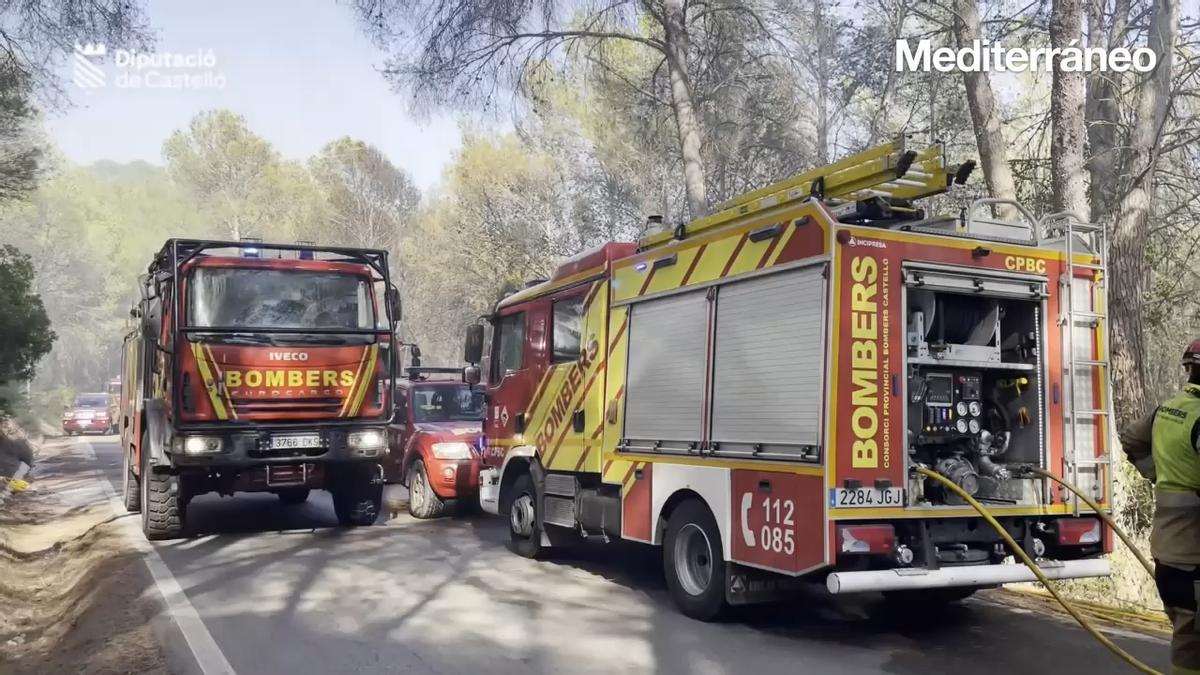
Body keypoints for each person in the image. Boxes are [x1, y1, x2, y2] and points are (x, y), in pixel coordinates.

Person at [1121, 338, 1200, 674]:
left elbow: (1130, 439)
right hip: (1194, 560)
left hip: (1168, 555)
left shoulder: (1167, 410)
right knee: (1191, 648)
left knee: (1187, 639)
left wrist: (1158, 475)